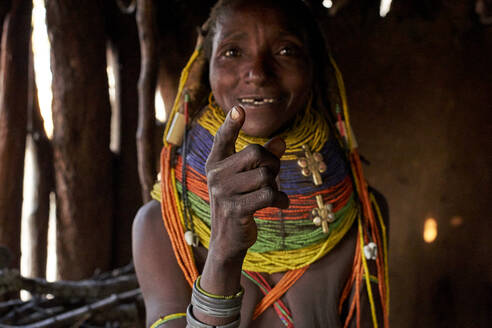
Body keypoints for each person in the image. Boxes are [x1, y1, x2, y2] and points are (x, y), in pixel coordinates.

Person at [132, 0, 389, 327]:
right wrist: (222, 252)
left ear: (315, 66)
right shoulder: (160, 225)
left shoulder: (362, 217)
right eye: (233, 51)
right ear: (205, 65)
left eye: (285, 51)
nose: (258, 72)